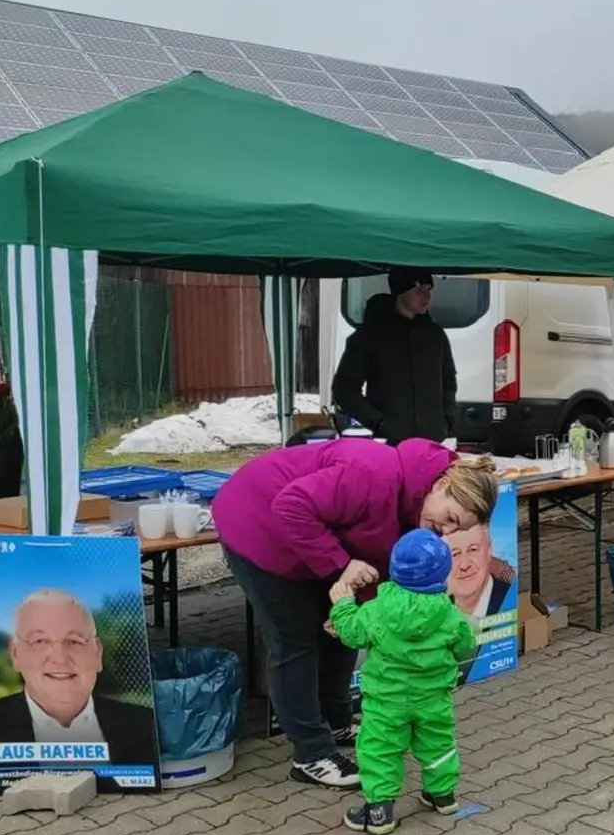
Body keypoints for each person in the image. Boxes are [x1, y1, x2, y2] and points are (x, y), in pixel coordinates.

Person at [211, 437, 498, 789]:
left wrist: (370, 609)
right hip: (257, 522)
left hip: (311, 538)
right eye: (451, 518)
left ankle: (336, 721)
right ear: (441, 484)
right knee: (295, 639)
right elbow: (291, 506)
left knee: (341, 630)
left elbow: (378, 563)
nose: (446, 531)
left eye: (459, 528)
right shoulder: (372, 475)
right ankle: (311, 754)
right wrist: (340, 565)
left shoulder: (417, 509)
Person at [330, 529, 476, 835]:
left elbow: (352, 633)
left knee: (380, 750)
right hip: (434, 698)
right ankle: (442, 795)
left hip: (386, 701)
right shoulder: (450, 614)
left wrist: (342, 605)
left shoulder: (376, 610)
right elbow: (465, 647)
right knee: (438, 744)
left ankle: (379, 811)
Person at [0, 589, 158, 767]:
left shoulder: (143, 723)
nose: (60, 658)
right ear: (15, 654)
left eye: (74, 641)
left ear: (97, 653)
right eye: (39, 641)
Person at [330, 270, 459, 445]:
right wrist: (378, 422)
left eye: (429, 288)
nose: (426, 295)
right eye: (419, 288)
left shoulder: (435, 335)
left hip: (432, 440)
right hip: (390, 443)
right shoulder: (369, 336)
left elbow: (448, 381)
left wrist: (448, 419)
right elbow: (344, 389)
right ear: (400, 291)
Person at [444, 523, 515, 622]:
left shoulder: (509, 599)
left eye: (473, 550)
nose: (464, 565)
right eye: (455, 554)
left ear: (489, 550)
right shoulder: (438, 612)